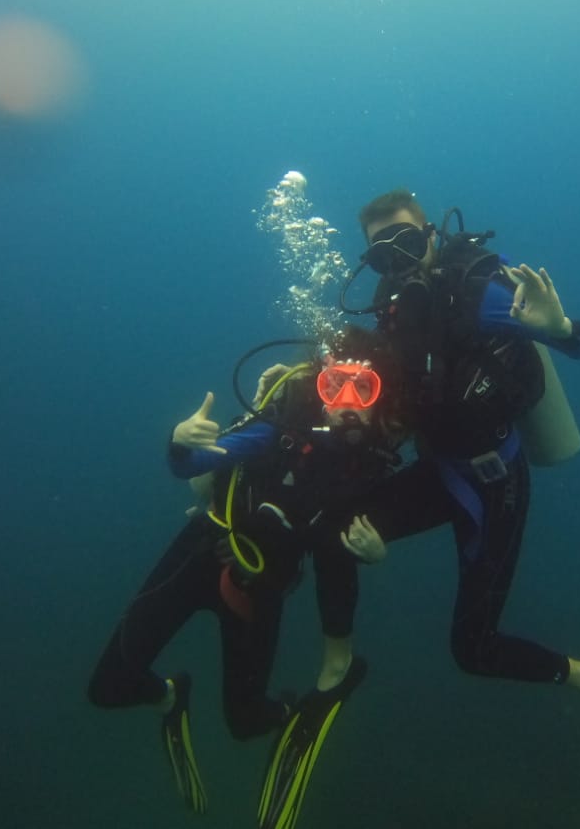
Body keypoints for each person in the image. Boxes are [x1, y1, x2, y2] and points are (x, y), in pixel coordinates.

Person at [340, 188, 580, 810]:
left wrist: (560, 328)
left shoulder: (479, 291)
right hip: (439, 470)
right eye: (382, 254)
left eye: (407, 241)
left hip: (492, 483)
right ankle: (335, 666)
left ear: (432, 233)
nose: (399, 261)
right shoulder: (391, 305)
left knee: (473, 650)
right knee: (337, 523)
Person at [86, 326, 406, 818]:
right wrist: (179, 444)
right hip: (198, 557)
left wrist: (374, 552)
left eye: (363, 388)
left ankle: (290, 716)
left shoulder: (373, 463)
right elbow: (194, 462)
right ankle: (171, 697)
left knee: (246, 722)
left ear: (379, 397)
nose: (346, 400)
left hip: (261, 591)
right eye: (333, 385)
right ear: (316, 389)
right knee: (108, 688)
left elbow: (343, 551)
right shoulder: (280, 428)